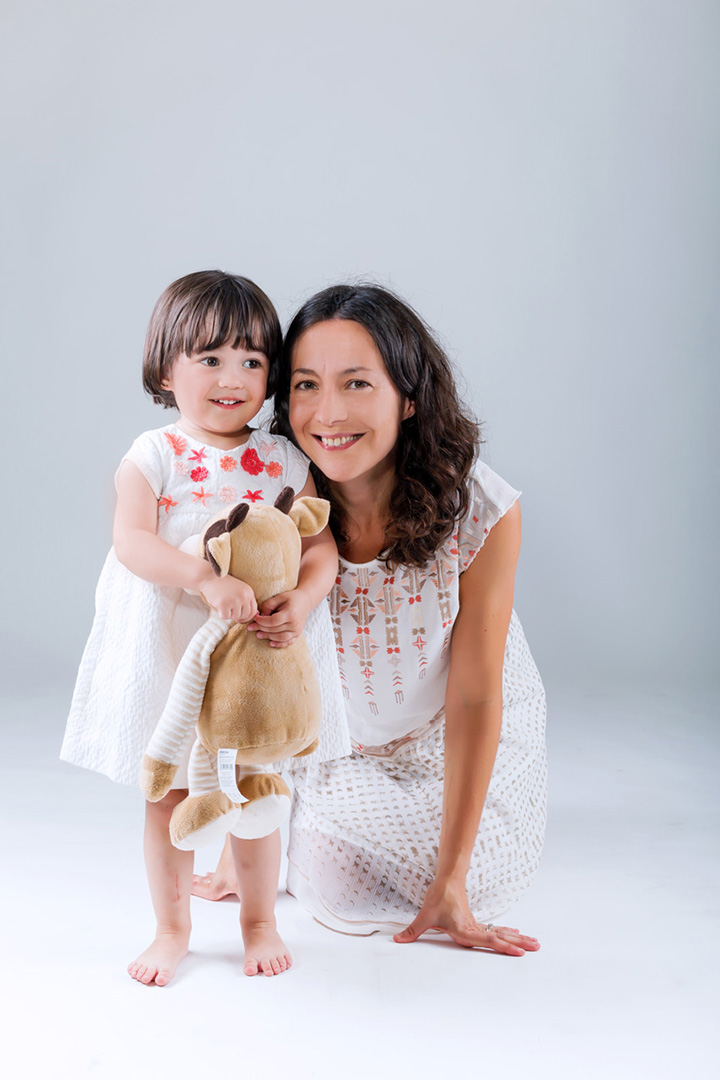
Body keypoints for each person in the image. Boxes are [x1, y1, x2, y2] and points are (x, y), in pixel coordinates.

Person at [195, 283, 547, 957]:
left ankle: (426, 861)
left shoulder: (481, 509)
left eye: (357, 384)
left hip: (444, 732)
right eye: (305, 385)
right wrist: (241, 837)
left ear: (408, 397)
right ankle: (290, 818)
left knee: (475, 874)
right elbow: (247, 663)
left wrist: (451, 876)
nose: (328, 413)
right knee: (344, 891)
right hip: (335, 742)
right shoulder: (274, 504)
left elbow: (474, 693)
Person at [61, 271, 345, 984]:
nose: (234, 377)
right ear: (166, 369)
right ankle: (171, 927)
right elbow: (132, 541)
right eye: (211, 358)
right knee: (171, 794)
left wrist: (305, 601)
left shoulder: (283, 459)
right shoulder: (154, 455)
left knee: (255, 784)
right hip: (174, 648)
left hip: (254, 658)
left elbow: (321, 545)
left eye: (253, 361)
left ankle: (257, 918)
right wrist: (205, 580)